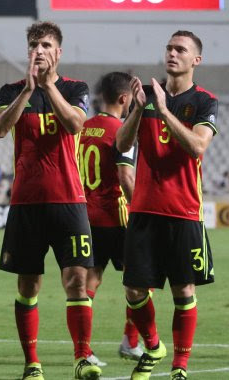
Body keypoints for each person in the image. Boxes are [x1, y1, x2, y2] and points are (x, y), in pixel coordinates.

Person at [0, 21, 100, 380]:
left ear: (59, 52)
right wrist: (27, 90)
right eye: (35, 44)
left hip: (68, 199)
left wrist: (49, 86)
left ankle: (82, 358)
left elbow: (74, 125)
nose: (39, 50)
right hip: (26, 201)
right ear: (28, 51)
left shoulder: (75, 88)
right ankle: (32, 363)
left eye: (47, 44)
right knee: (28, 285)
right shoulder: (10, 90)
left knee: (77, 280)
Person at [116, 30, 218, 380]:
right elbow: (121, 142)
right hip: (143, 209)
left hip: (184, 210)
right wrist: (137, 107)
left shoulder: (204, 102)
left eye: (181, 49)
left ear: (195, 60)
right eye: (169, 48)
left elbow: (197, 147)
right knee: (133, 290)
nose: (172, 54)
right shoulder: (147, 96)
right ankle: (154, 344)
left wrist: (161, 109)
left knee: (183, 290)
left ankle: (180, 366)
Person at [78, 72, 143, 363]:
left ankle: (85, 350)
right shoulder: (123, 131)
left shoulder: (81, 128)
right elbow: (125, 177)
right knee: (140, 280)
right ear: (124, 99)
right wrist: (141, 212)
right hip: (117, 218)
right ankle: (131, 341)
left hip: (85, 217)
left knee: (89, 282)